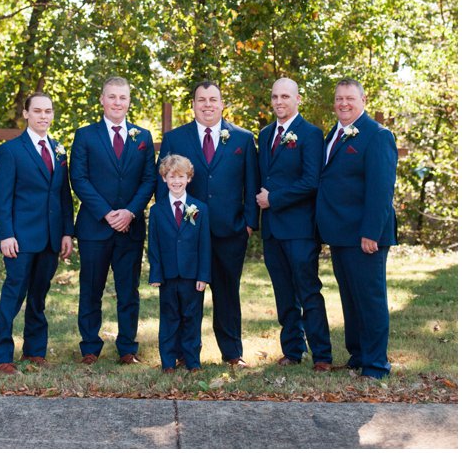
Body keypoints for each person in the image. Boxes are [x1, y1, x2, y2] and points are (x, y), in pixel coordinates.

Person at [157, 80, 258, 367]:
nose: (207, 105)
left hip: (230, 231)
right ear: (193, 104)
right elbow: (162, 184)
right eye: (201, 100)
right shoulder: (176, 138)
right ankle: (181, 353)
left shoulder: (241, 139)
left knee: (227, 294)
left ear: (222, 103)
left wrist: (249, 222)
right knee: (186, 296)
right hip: (185, 234)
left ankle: (232, 353)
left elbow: (251, 182)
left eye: (213, 99)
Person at [71, 76, 157, 365]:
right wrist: (107, 213)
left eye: (123, 97)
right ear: (102, 99)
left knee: (128, 290)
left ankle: (127, 348)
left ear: (129, 101)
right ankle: (90, 348)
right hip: (95, 226)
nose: (117, 102)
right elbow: (79, 179)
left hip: (130, 227)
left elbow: (149, 180)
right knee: (91, 287)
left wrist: (130, 212)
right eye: (112, 96)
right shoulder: (85, 135)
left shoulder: (142, 137)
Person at [316, 79, 397, 380]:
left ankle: (376, 365)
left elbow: (380, 189)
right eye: (338, 98)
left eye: (350, 98)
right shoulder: (333, 134)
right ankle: (359, 355)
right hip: (340, 233)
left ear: (363, 99)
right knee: (350, 298)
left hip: (365, 235)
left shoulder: (377, 135)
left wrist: (371, 233)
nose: (343, 104)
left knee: (370, 299)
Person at [0, 92, 74, 373]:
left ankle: (35, 350)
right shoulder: (11, 150)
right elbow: (1, 198)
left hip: (51, 237)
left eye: (48, 111)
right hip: (20, 238)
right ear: (26, 114)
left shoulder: (59, 150)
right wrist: (6, 235)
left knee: (39, 295)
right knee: (14, 294)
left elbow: (64, 195)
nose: (43, 116)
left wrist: (66, 232)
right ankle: (2, 355)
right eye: (37, 111)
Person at [256, 78, 332, 371]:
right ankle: (292, 350)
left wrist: (274, 199)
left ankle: (322, 354)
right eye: (275, 96)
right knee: (283, 294)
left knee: (308, 291)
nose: (279, 102)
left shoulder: (311, 134)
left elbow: (311, 182)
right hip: (273, 230)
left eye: (285, 96)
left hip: (300, 229)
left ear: (298, 99)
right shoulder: (264, 135)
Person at [148, 154, 210, 373]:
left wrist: (204, 275)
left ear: (189, 178)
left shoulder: (200, 208)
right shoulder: (157, 210)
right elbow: (153, 244)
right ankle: (168, 362)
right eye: (171, 177)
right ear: (164, 178)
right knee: (169, 318)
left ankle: (192, 361)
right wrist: (156, 274)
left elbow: (204, 245)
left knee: (192, 318)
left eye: (181, 177)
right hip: (167, 275)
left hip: (192, 275)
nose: (176, 181)